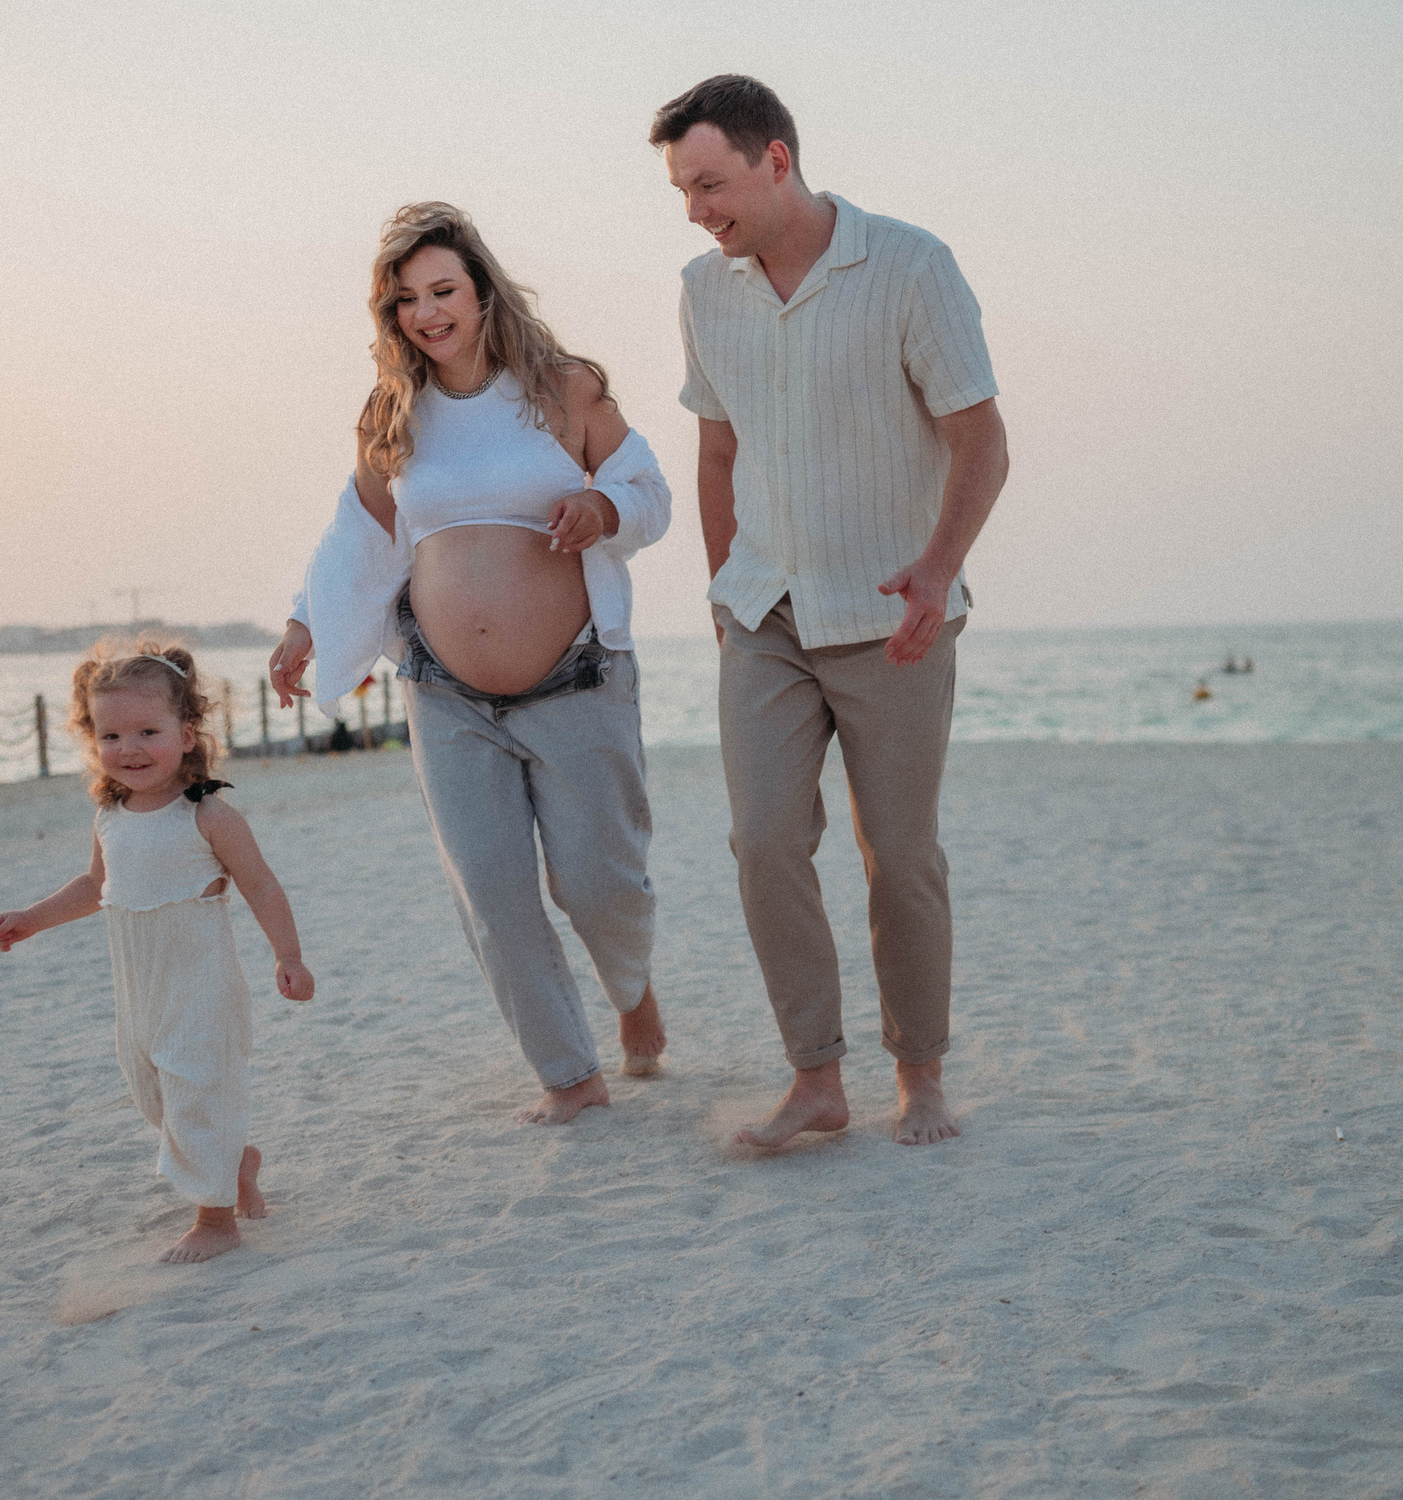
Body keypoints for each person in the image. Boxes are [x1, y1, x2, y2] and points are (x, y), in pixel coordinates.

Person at [656, 75, 1008, 1150]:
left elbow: (980, 439)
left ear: (776, 159)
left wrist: (938, 568)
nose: (695, 209)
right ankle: (815, 1079)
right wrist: (723, 586)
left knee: (898, 855)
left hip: (892, 610)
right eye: (679, 189)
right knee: (762, 840)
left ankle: (921, 1073)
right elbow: (716, 447)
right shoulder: (703, 288)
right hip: (764, 611)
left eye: (709, 182)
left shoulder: (909, 265)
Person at [269, 202, 674, 1126]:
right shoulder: (392, 416)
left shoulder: (562, 389)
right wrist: (304, 626)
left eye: (443, 290)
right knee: (492, 889)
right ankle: (572, 1078)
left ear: (484, 291)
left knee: (599, 882)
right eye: (406, 299)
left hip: (577, 677)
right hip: (445, 693)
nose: (427, 312)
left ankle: (631, 987)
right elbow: (359, 540)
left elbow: (645, 490)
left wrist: (602, 513)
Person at [0, 642, 315, 1264]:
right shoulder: (109, 815)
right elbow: (95, 886)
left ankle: (216, 1219)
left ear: (187, 735)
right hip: (139, 987)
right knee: (152, 1094)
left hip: (200, 983)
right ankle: (234, 1162)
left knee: (196, 1090)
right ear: (93, 742)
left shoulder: (209, 816)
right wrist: (32, 920)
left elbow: (262, 884)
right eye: (111, 735)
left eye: (148, 731)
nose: (129, 748)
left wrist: (289, 956)